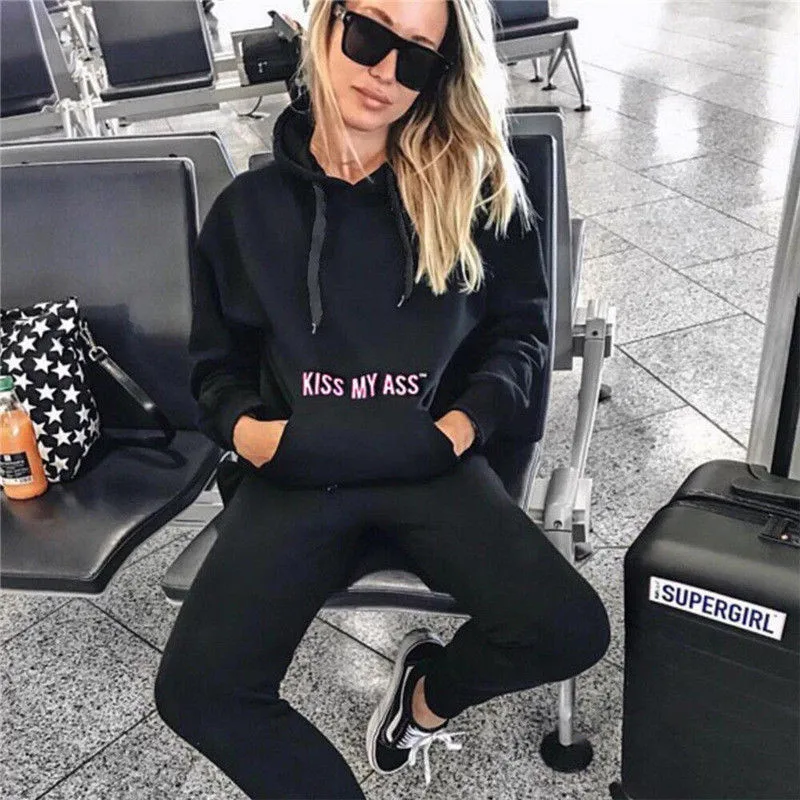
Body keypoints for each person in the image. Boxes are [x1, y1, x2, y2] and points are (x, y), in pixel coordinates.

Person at [153, 0, 611, 797]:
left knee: (570, 630)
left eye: (419, 58)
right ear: (325, 24)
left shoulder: (477, 189)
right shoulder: (247, 213)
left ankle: (422, 698)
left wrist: (459, 428)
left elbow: (520, 337)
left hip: (429, 465)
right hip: (298, 473)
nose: (385, 72)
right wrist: (256, 436)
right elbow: (215, 370)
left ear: (440, 75)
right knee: (199, 692)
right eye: (369, 33)